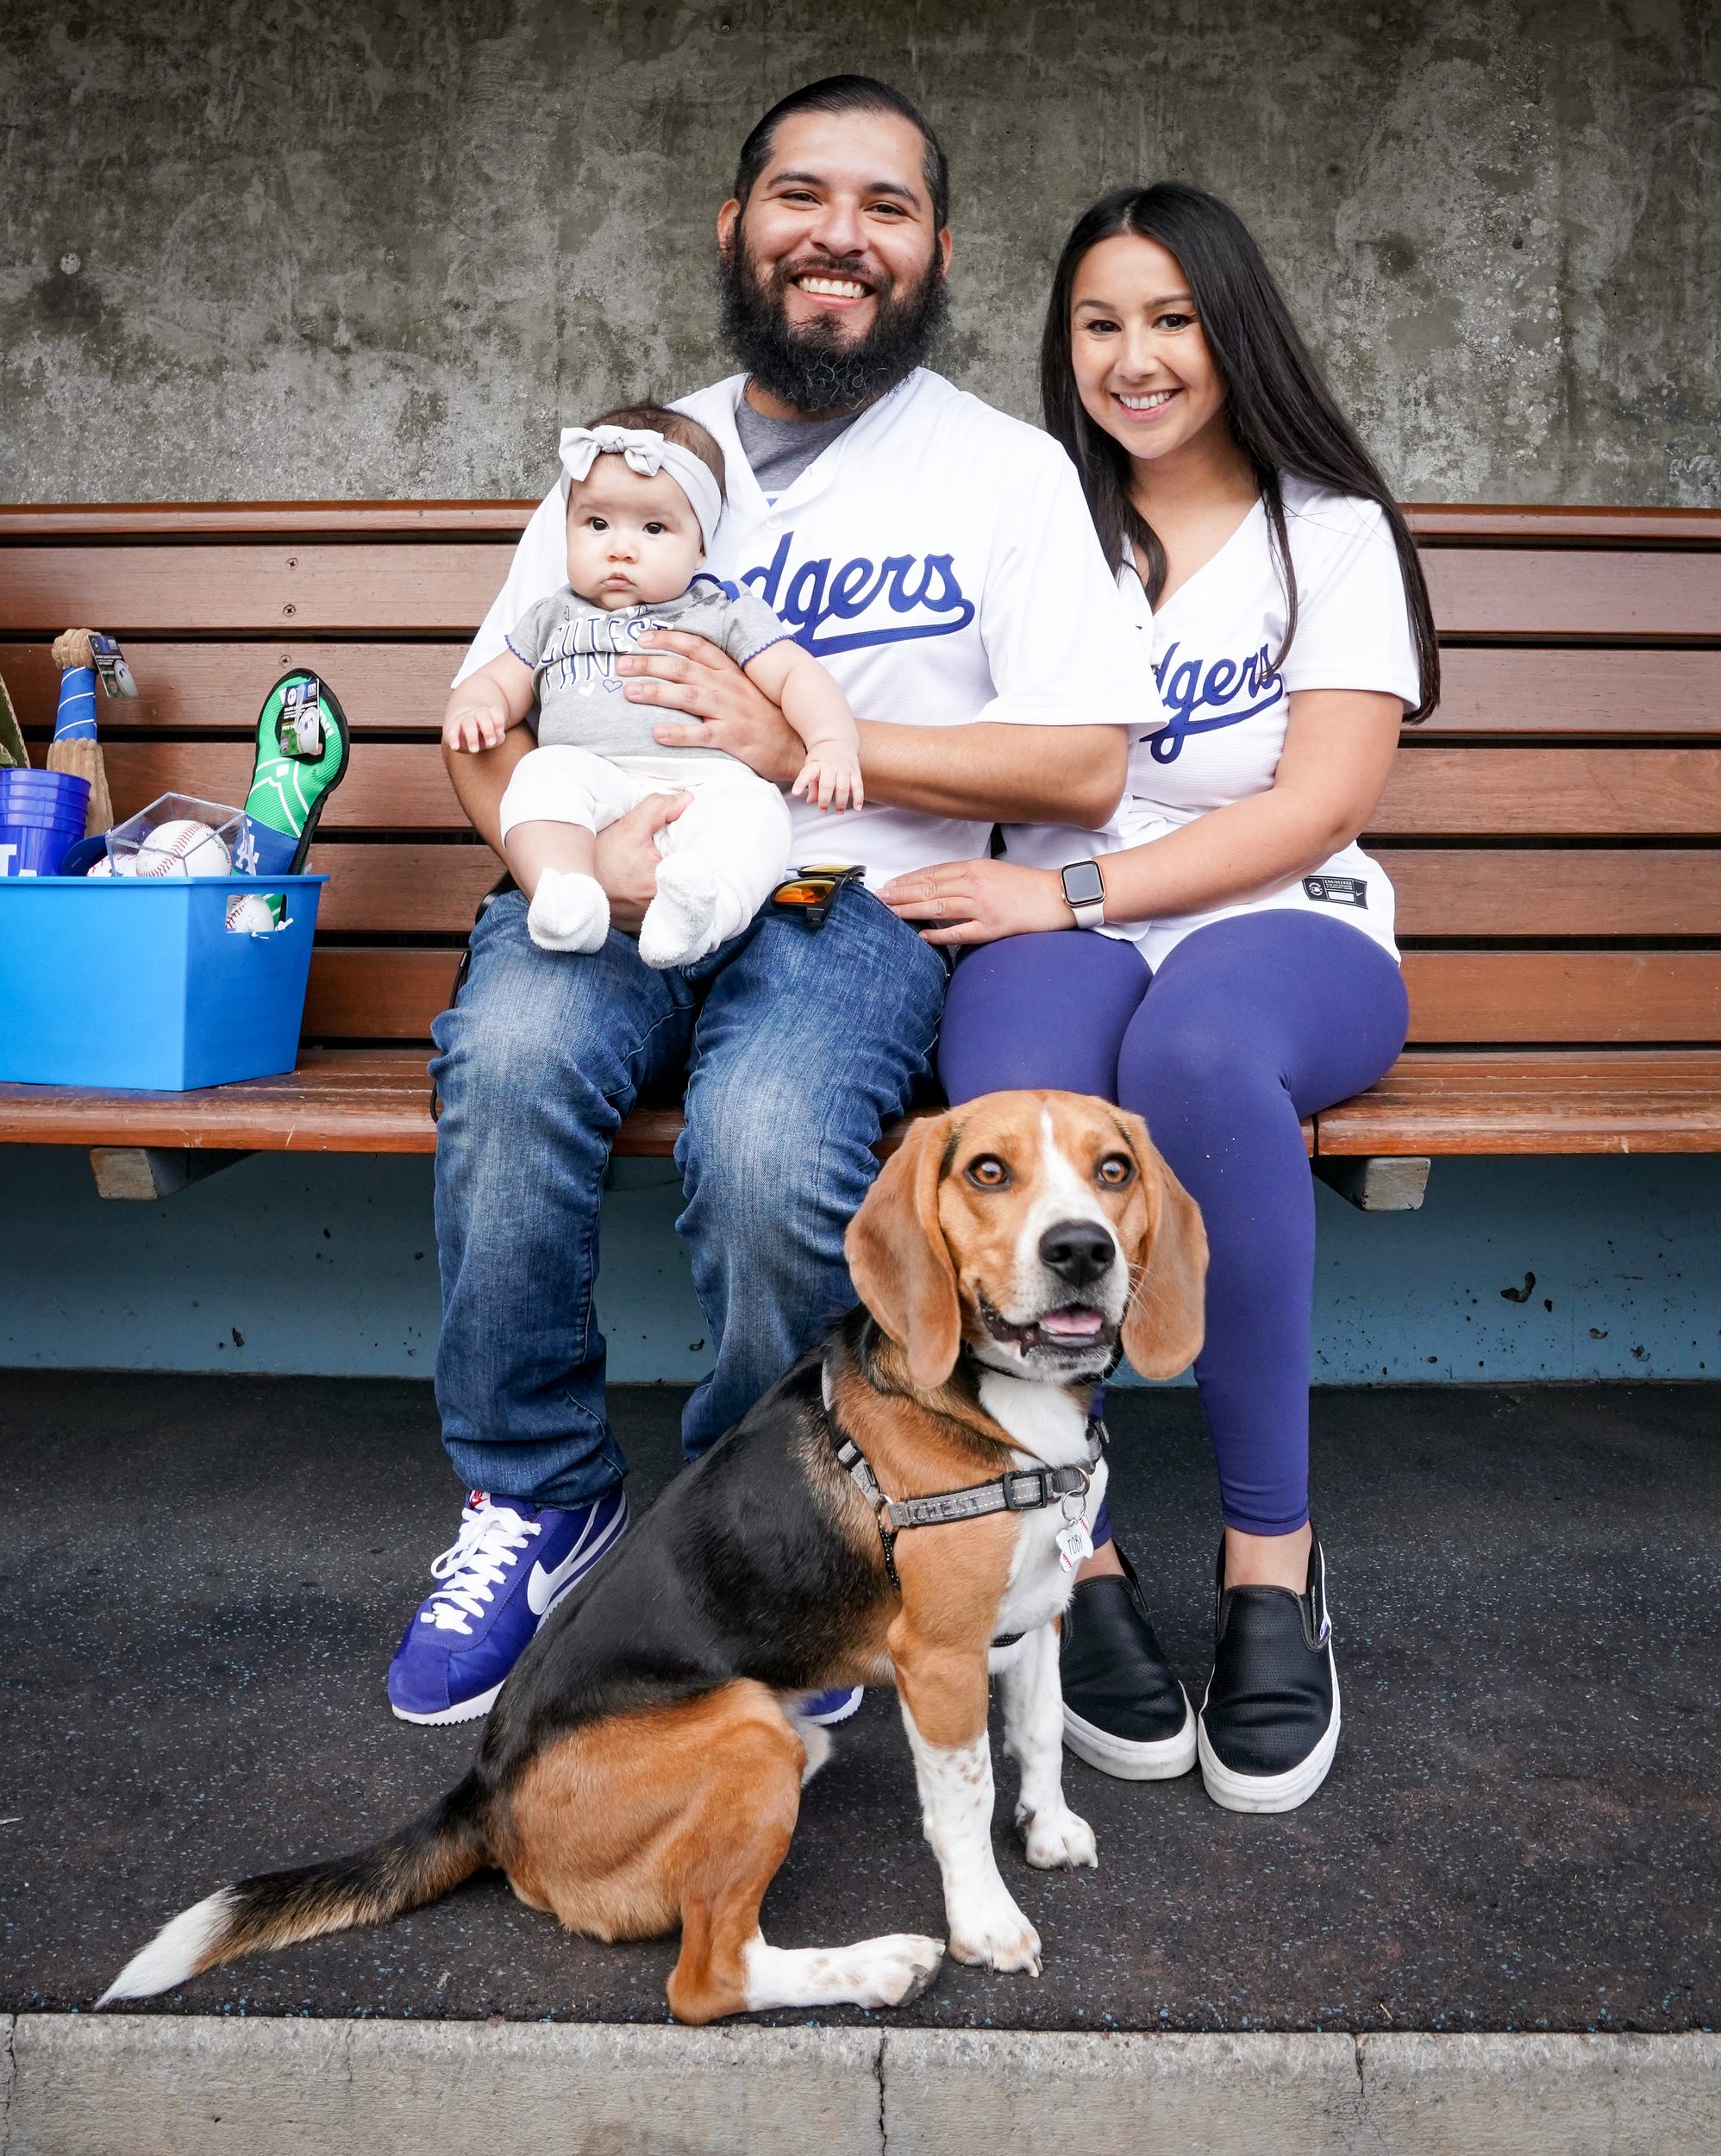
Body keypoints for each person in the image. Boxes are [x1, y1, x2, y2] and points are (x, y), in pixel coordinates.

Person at [386, 78, 1153, 1727]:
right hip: (602, 876)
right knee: (509, 1056)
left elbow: (1089, 764)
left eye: (886, 208)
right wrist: (554, 863)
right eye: (803, 197)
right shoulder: (629, 458)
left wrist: (821, 742)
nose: (841, 238)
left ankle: (775, 1533)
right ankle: (536, 1494)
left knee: (769, 1150)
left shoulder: (1003, 472)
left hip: (843, 905)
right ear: (736, 228)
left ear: (938, 250)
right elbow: (488, 722)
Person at [883, 182, 1440, 1814]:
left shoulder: (1326, 530)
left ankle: (1273, 1567)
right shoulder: (1029, 516)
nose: (1138, 358)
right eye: (1101, 323)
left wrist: (1059, 888)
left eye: (1175, 319)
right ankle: (1079, 1555)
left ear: (1234, 328)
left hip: (1289, 925)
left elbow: (1321, 801)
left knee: (1191, 1055)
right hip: (1067, 921)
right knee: (1016, 1083)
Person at [443, 403, 861, 968]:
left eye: (654, 528)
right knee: (538, 774)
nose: (620, 548)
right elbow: (496, 682)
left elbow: (795, 674)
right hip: (595, 779)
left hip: (705, 782)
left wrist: (832, 743)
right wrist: (478, 707)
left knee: (758, 814)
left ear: (701, 545)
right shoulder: (553, 616)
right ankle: (567, 895)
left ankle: (703, 915)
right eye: (596, 524)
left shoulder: (719, 610)